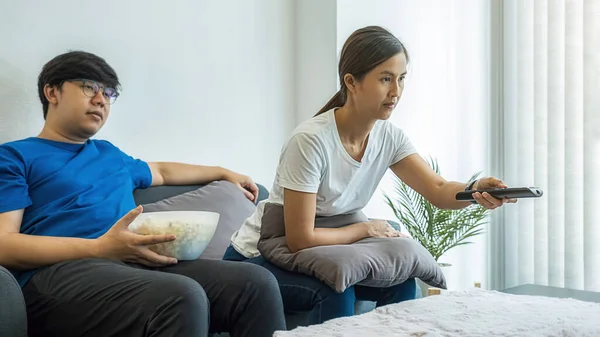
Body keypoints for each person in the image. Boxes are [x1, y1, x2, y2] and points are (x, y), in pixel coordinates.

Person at [223, 25, 516, 325]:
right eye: (385, 79)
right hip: (256, 258)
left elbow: (438, 188)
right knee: (335, 291)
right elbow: (300, 239)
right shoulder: (310, 141)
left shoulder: (389, 138)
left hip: (325, 250)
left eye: (401, 79)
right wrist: (366, 229)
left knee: (400, 281)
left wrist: (476, 191)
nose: (396, 92)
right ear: (352, 82)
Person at [0, 51, 286, 337]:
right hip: (58, 275)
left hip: (131, 263)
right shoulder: (14, 156)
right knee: (181, 295)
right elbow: (5, 244)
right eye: (88, 87)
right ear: (52, 92)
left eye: (108, 92)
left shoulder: (109, 154)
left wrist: (223, 172)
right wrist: (99, 247)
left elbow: (161, 171)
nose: (101, 99)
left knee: (255, 283)